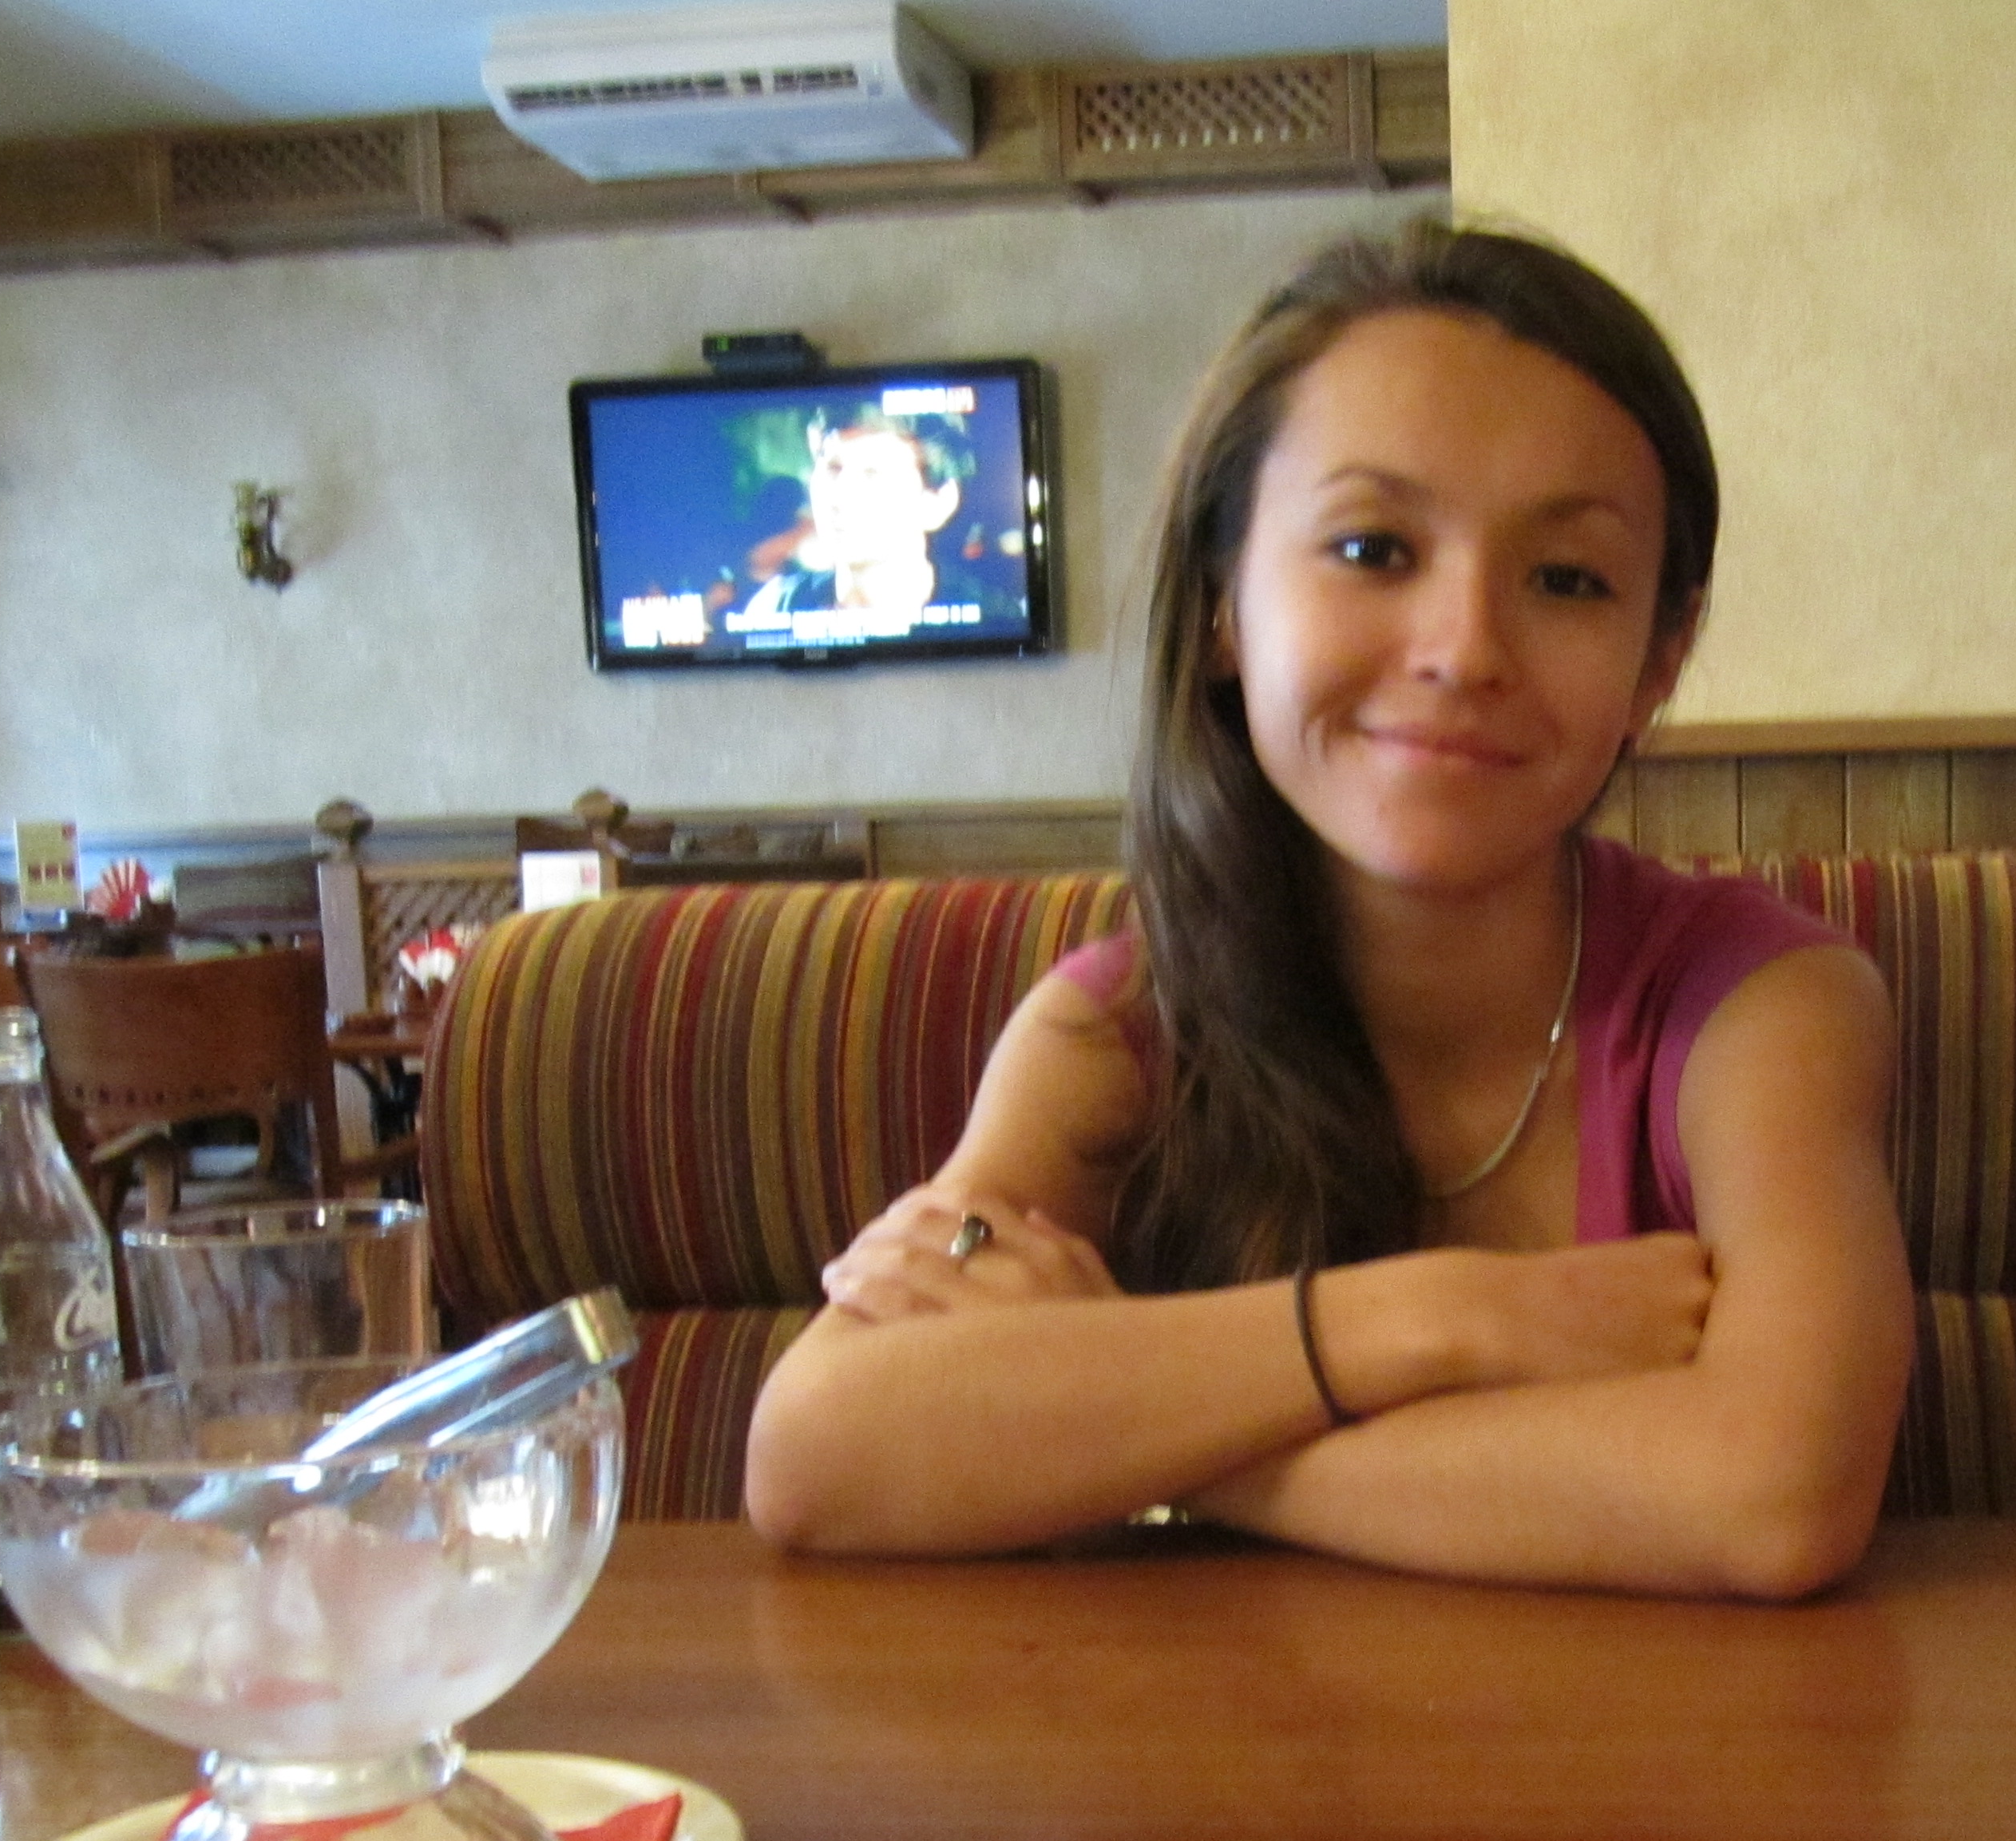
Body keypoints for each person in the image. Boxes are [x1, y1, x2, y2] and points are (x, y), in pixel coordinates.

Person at [743, 217, 1913, 1598]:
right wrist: (1445, 1317)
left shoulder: (1761, 1007)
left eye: (1568, 580)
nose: (1465, 649)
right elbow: (817, 1451)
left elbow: (1774, 1496)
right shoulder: (1116, 1032)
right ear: (1224, 605)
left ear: (1659, 661)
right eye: (1372, 548)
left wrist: (1137, 1429)